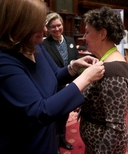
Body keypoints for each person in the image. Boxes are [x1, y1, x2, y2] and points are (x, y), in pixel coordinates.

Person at [0, 0, 105, 154]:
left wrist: (74, 66)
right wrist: (86, 79)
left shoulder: (35, 45)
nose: (45, 30)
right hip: (19, 144)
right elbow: (40, 111)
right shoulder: (1, 63)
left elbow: (53, 76)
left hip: (44, 137)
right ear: (18, 25)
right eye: (38, 25)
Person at [78, 6, 128, 154]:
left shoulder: (114, 72)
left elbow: (115, 128)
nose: (84, 37)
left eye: (87, 32)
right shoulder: (103, 62)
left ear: (102, 33)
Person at [42, 12, 79, 154]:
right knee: (55, 117)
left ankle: (62, 139)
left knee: (64, 115)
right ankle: (54, 143)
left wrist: (73, 83)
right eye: (52, 27)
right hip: (55, 87)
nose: (56, 29)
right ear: (47, 28)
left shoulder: (70, 41)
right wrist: (63, 85)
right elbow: (47, 70)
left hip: (70, 85)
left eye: (58, 25)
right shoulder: (44, 44)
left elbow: (76, 61)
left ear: (62, 25)